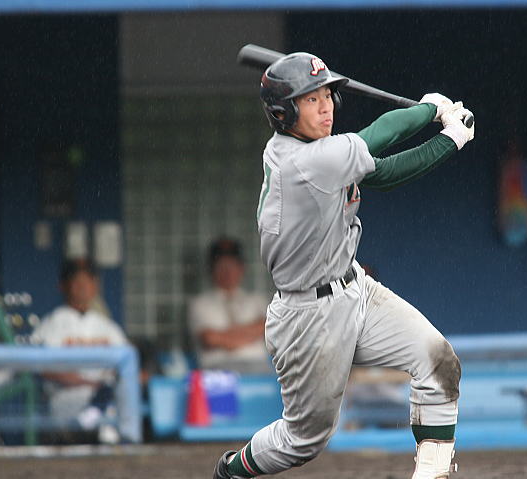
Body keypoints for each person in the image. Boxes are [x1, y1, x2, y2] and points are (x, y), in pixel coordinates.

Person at [214, 52, 474, 479]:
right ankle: (232, 471)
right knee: (303, 440)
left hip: (355, 288)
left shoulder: (323, 151)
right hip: (307, 315)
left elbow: (384, 173)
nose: (326, 107)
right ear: (282, 113)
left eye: (327, 96)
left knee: (437, 360)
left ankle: (434, 473)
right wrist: (431, 110)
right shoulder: (300, 161)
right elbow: (382, 133)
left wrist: (449, 139)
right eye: (311, 100)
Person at [31, 258, 128, 443]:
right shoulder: (52, 324)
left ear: (95, 285)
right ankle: (94, 424)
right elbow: (40, 367)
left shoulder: (107, 326)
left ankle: (96, 423)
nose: (83, 287)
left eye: (88, 281)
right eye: (77, 281)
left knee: (114, 399)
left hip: (105, 395)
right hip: (67, 397)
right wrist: (81, 381)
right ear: (63, 286)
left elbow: (127, 364)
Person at [189, 237, 269, 373]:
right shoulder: (199, 303)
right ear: (211, 269)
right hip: (217, 367)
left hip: (258, 367)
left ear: (242, 268)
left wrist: (225, 336)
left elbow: (266, 328)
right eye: (221, 266)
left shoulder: (256, 300)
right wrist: (251, 333)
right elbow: (209, 339)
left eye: (232, 265)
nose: (227, 271)